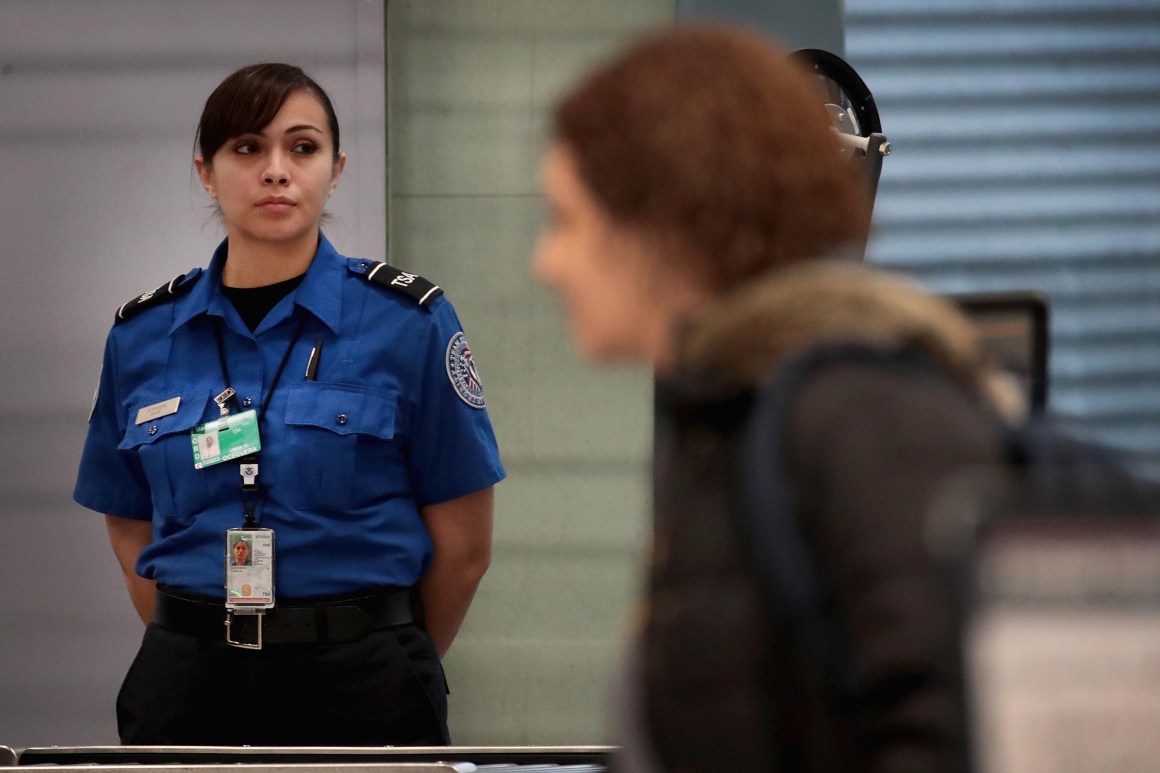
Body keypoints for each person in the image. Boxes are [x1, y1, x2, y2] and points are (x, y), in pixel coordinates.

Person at [534, 26, 1012, 772]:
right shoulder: (723, 416)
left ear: (665, 224)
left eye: (567, 221)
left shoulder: (857, 415)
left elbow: (959, 730)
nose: (546, 263)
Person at [74, 63, 505, 747]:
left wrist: (383, 646)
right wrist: (202, 630)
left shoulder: (409, 321)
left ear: (335, 169)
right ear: (206, 172)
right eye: (247, 148)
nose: (276, 170)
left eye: (302, 147)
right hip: (187, 682)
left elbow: (465, 546)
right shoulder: (142, 334)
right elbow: (125, 517)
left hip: (364, 681)